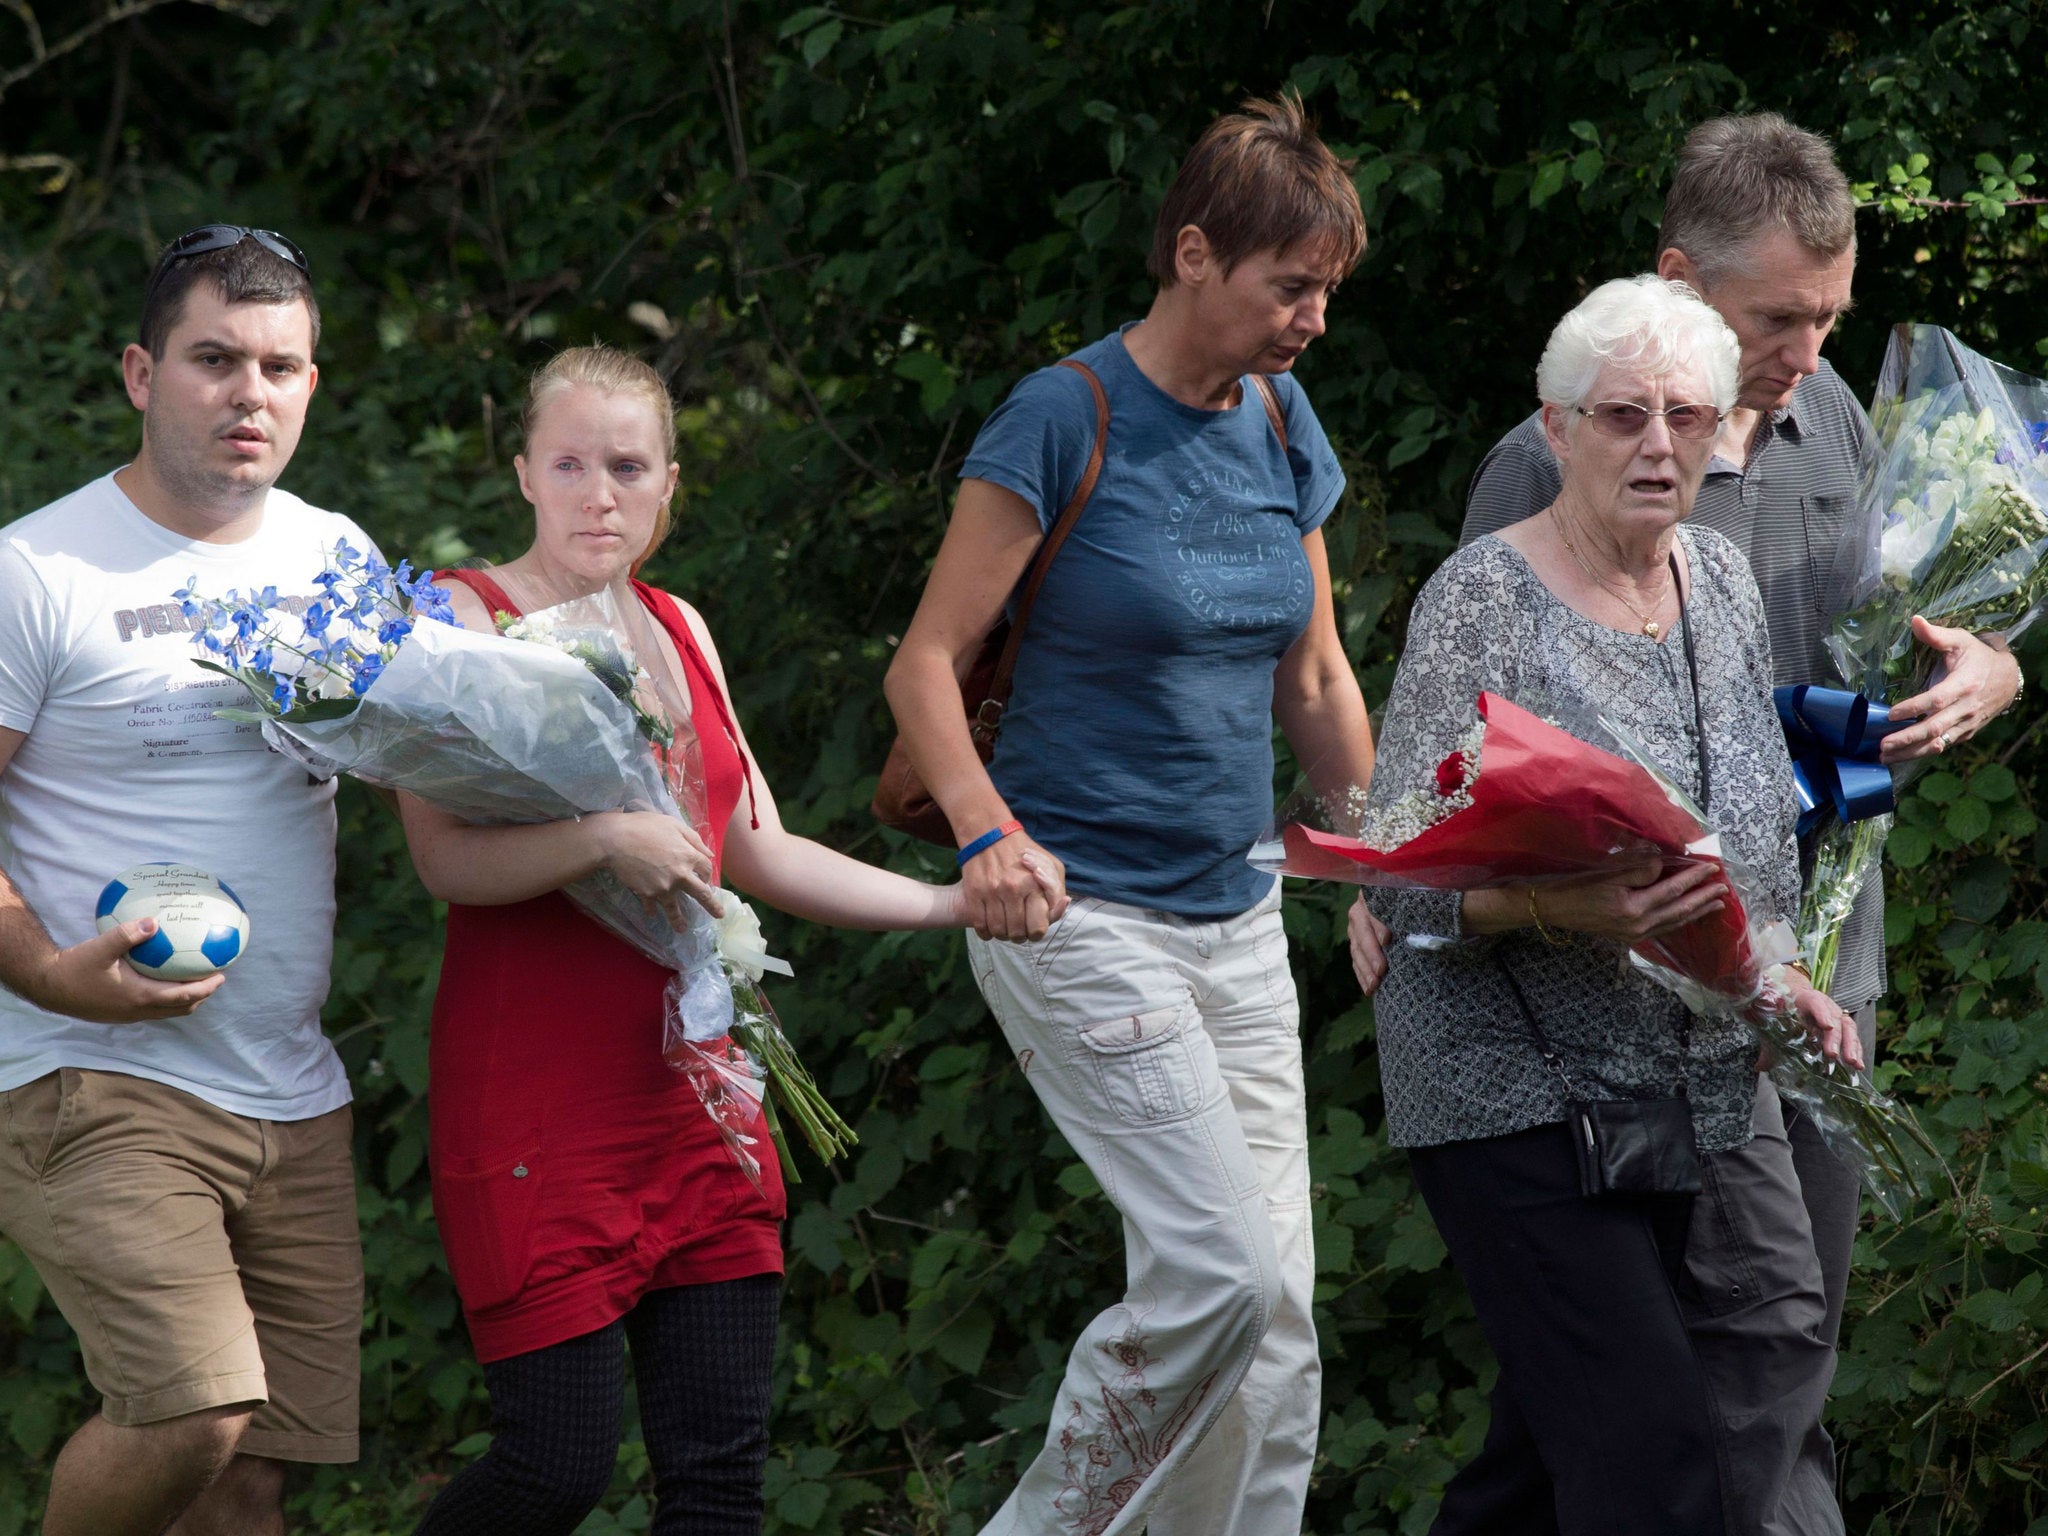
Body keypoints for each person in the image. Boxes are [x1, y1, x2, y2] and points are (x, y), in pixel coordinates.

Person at [1439, 112, 2022, 1534]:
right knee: (1679, 1380)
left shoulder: (1846, 427)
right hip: (1628, 987)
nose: (1809, 351)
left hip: (1826, 966)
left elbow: (1894, 635)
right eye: (1777, 317)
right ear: (1677, 277)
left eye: (1832, 314)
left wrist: (1994, 660)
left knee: (1753, 1359)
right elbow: (1464, 755)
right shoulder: (1550, 461)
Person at [399, 345, 1002, 1536]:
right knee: (553, 1468)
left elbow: (756, 848)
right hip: (538, 1099)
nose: (598, 493)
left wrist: (949, 901)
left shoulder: (681, 624)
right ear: (522, 471)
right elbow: (444, 862)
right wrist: (601, 837)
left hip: (702, 1090)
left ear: (670, 483)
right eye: (569, 463)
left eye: (627, 466)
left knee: (718, 1483)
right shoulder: (459, 615)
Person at [884, 92, 1376, 1536]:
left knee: (1277, 1324)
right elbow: (921, 670)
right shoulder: (1065, 414)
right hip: (1079, 913)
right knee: (1223, 1273)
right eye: (1292, 288)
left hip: (1236, 922)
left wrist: (1383, 867)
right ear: (1192, 254)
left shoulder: (1284, 420)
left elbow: (1318, 670)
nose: (1312, 321)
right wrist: (990, 834)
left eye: (1327, 294)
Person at [1367, 274, 1861, 1535]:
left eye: (1685, 417)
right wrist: (1562, 912)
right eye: (1620, 416)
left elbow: (1754, 825)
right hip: (1510, 1082)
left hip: (1698, 1063)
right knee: (1643, 1446)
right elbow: (1393, 878)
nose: (1655, 444)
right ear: (1554, 430)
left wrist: (1783, 970)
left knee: (1736, 1365)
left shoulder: (1717, 580)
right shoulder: (1479, 597)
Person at [0, 228, 369, 1535]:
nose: (248, 392)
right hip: (83, 1069)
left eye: (279, 365)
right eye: (214, 359)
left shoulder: (337, 560)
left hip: (288, 1082)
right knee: (191, 1409)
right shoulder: (37, 569)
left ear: (312, 385)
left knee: (252, 1474)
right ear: (140, 375)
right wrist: (46, 969)